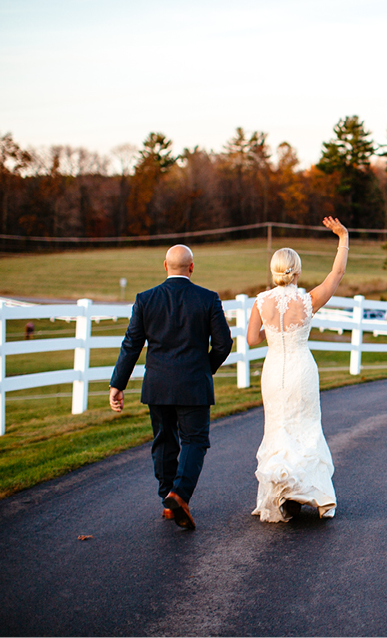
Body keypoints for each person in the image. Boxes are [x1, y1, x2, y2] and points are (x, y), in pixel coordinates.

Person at [109, 245, 233, 530]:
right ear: (191, 267)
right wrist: (205, 368)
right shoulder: (208, 299)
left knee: (164, 440)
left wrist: (118, 383)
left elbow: (131, 345)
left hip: (158, 384)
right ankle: (179, 495)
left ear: (165, 266)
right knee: (195, 440)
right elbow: (224, 343)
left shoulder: (145, 299)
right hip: (194, 385)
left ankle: (168, 498)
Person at [246, 217, 349, 523]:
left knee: (277, 428)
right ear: (297, 271)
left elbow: (252, 339)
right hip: (302, 369)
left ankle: (281, 492)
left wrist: (271, 332)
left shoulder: (261, 301)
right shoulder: (307, 301)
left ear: (273, 270)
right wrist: (343, 236)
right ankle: (308, 492)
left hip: (274, 369)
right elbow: (337, 274)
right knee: (305, 428)